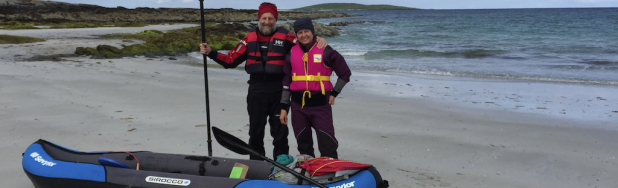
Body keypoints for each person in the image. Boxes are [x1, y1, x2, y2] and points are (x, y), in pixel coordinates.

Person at [199, 3, 328, 160]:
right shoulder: (248, 39)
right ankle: (257, 165)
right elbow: (230, 60)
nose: (267, 21)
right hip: (256, 91)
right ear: (259, 19)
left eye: (271, 18)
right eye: (264, 18)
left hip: (279, 92)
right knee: (255, 132)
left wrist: (319, 40)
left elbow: (307, 44)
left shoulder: (287, 38)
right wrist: (211, 52)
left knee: (280, 133)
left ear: (276, 20)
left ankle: (281, 166)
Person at [279, 18, 351, 159]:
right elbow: (286, 81)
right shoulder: (291, 54)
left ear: (312, 32)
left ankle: (329, 172)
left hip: (321, 105)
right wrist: (283, 107)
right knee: (303, 144)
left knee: (327, 143)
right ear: (296, 35)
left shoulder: (326, 51)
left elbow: (345, 73)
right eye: (300, 32)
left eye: (306, 31)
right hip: (298, 106)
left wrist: (335, 92)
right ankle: (308, 172)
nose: (304, 35)